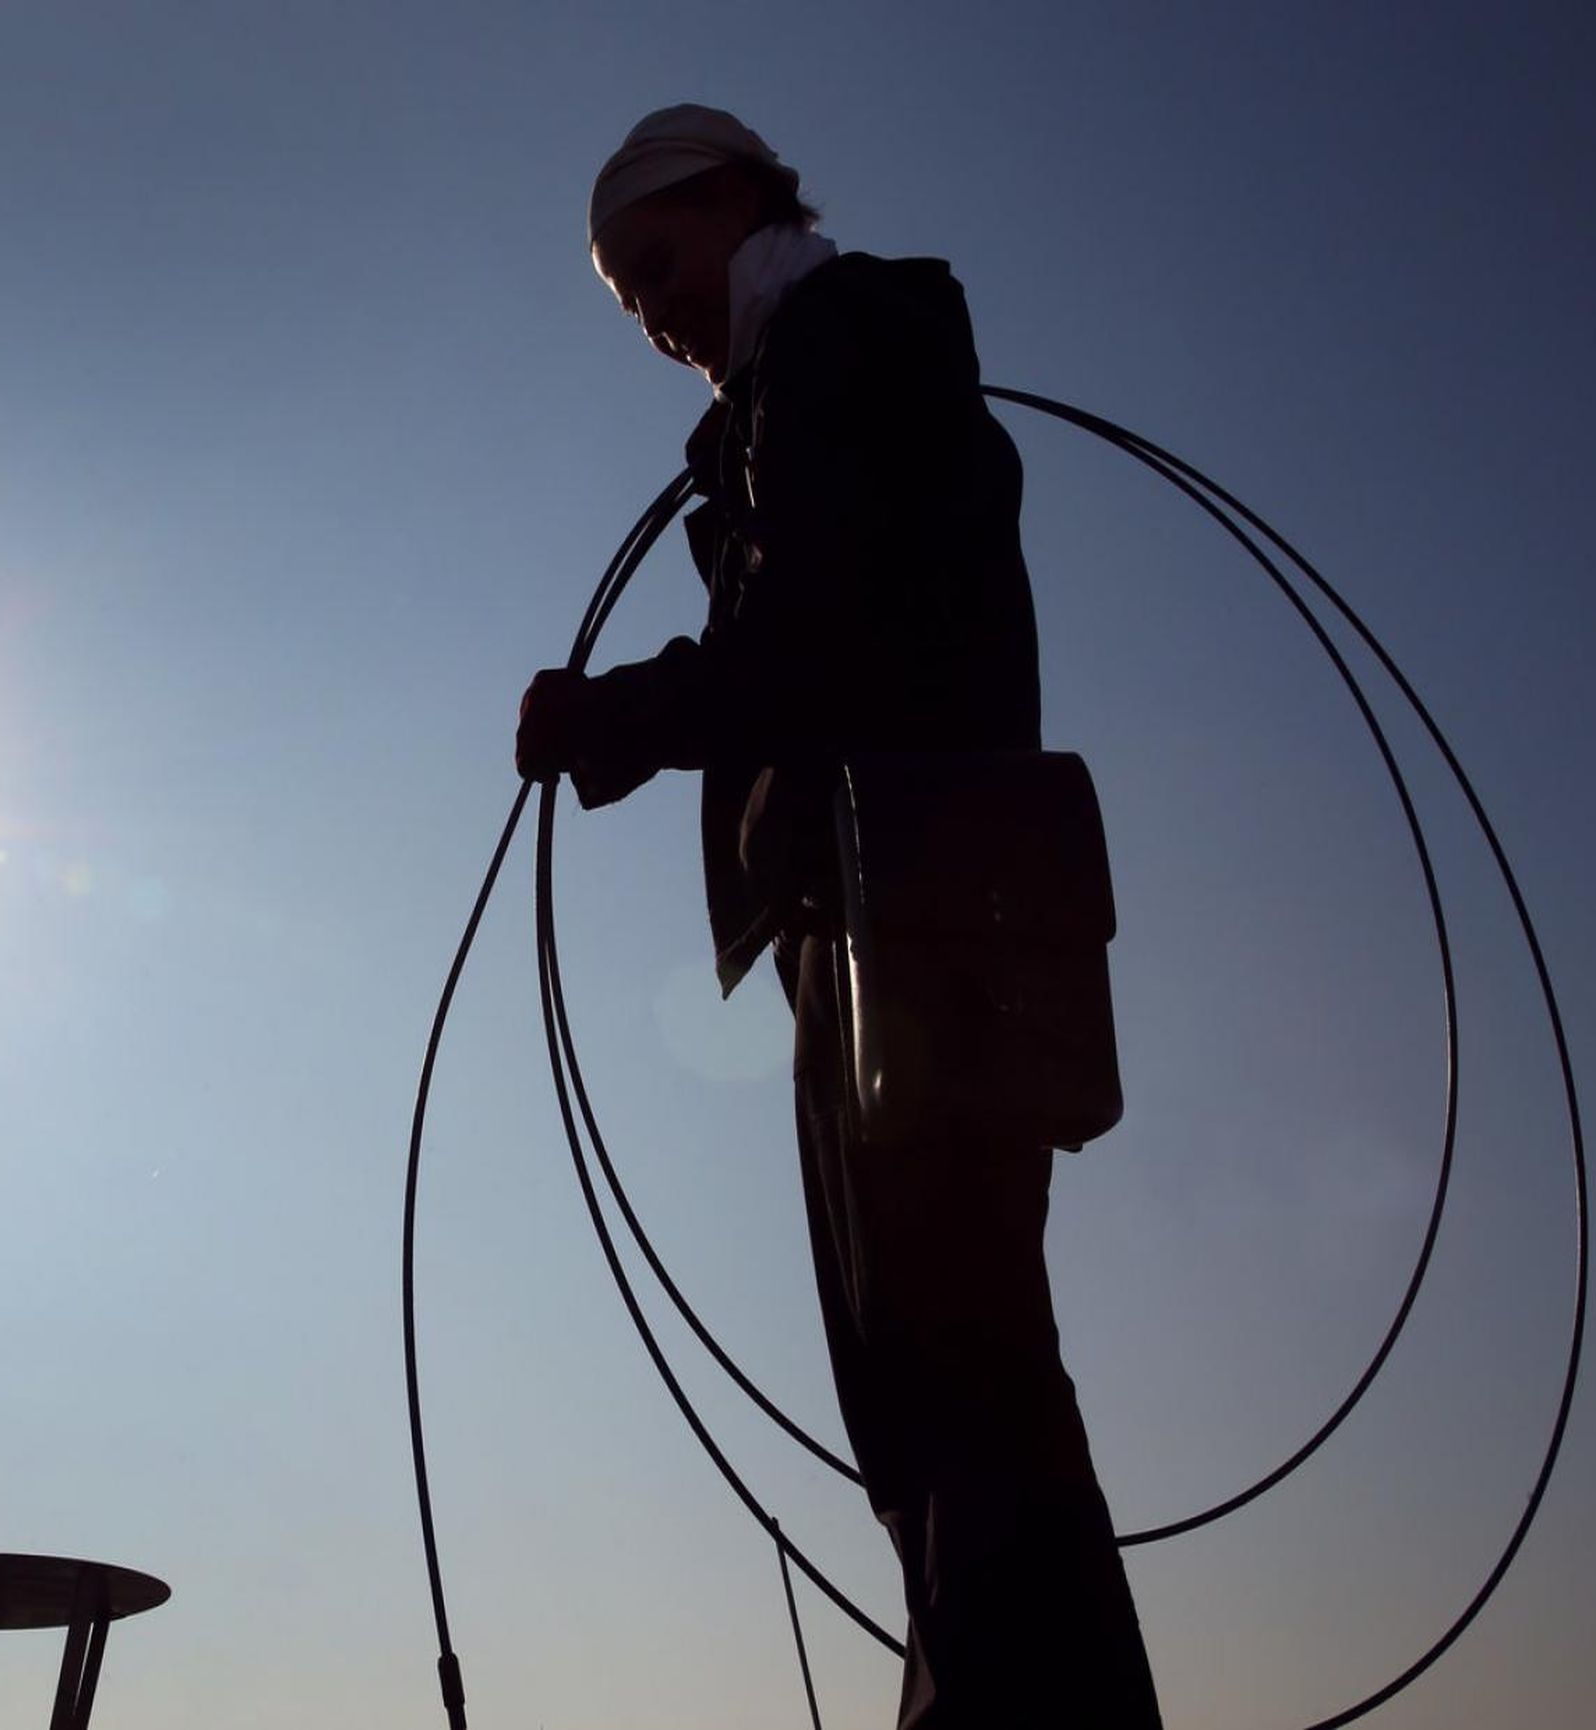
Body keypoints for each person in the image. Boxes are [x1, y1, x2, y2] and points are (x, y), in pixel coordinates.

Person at [514, 104, 1165, 1728]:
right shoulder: (781, 397)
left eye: (653, 264)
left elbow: (812, 643)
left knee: (947, 1356)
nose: (651, 311)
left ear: (732, 194)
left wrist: (604, 722)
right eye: (625, 297)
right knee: (933, 1362)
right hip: (885, 914)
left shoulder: (847, 343)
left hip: (921, 918)